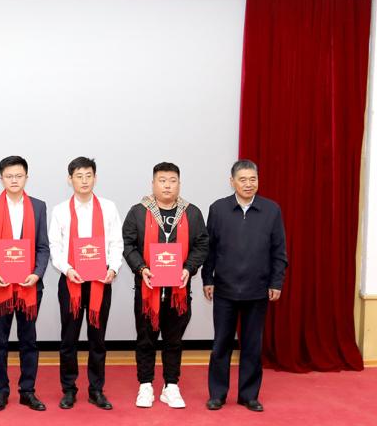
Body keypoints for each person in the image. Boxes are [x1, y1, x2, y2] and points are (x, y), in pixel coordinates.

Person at [122, 162, 209, 409]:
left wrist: (188, 268)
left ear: (179, 184)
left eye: (172, 181)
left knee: (174, 340)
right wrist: (141, 268)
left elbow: (202, 245)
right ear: (153, 184)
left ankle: (171, 386)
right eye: (162, 181)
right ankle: (145, 385)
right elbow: (128, 244)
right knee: (145, 339)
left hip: (178, 292)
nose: (167, 185)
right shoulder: (138, 212)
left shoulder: (192, 213)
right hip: (147, 290)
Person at [204, 159, 288, 412]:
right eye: (243, 179)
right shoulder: (218, 209)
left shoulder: (271, 210)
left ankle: (249, 395)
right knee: (221, 345)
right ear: (232, 182)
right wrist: (208, 279)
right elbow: (209, 249)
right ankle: (217, 394)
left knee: (252, 346)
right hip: (225, 290)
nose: (248, 184)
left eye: (253, 179)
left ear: (258, 181)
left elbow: (279, 251)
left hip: (257, 290)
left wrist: (276, 282)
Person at [0, 155, 50, 412]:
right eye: (9, 176)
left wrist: (37, 274)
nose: (14, 180)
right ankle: (1, 391)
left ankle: (28, 391)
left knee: (29, 341)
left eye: (19, 176)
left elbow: (43, 247)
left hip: (29, 286)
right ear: (1, 178)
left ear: (27, 177)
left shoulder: (38, 206)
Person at [48, 156, 123, 411]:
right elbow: (55, 246)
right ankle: (69, 389)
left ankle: (96, 390)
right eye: (79, 176)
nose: (84, 181)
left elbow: (116, 243)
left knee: (97, 339)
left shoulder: (109, 208)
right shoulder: (60, 211)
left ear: (95, 178)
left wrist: (113, 268)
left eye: (88, 175)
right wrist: (67, 269)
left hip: (100, 282)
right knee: (68, 339)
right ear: (69, 180)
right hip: (71, 282)